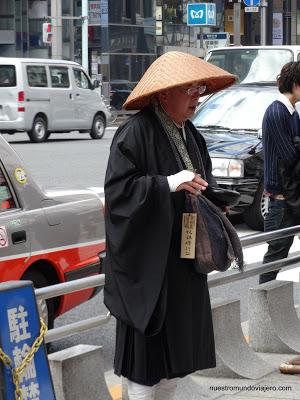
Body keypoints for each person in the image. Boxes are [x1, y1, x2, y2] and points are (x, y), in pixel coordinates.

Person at [104, 51, 236, 400]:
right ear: (164, 93)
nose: (198, 95)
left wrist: (214, 196)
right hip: (149, 268)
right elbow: (119, 195)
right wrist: (165, 184)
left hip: (183, 261)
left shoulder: (189, 132)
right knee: (145, 364)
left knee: (175, 358)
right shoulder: (134, 134)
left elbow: (196, 181)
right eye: (190, 88)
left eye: (200, 88)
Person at [259, 61, 300, 284]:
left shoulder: (291, 112)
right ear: (295, 85)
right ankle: (261, 305)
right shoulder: (277, 111)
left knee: (279, 255)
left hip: (290, 195)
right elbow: (290, 156)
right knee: (275, 257)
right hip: (281, 199)